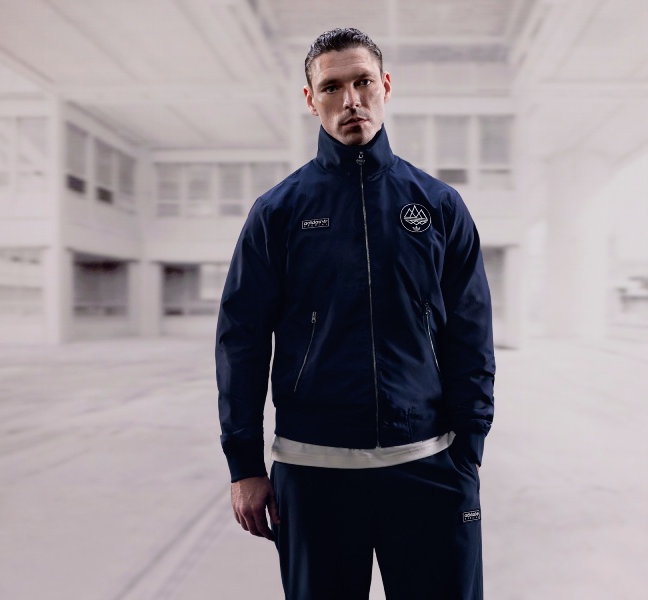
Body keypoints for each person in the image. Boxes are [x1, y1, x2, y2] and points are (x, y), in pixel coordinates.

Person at [216, 27, 495, 600]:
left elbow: (471, 334)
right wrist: (244, 465)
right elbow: (242, 339)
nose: (351, 101)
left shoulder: (438, 206)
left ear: (385, 86)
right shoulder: (278, 212)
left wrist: (468, 450)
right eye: (332, 87)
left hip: (428, 464)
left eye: (363, 82)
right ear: (310, 99)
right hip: (314, 471)